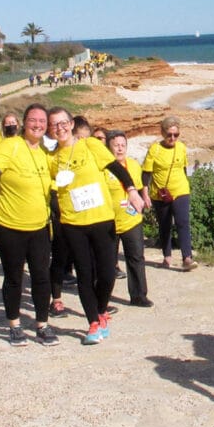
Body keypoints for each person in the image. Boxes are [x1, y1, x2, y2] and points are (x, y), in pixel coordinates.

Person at [0, 104, 60, 348]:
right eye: (32, 120)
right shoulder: (10, 146)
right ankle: (15, 325)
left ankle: (42, 325)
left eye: (42, 121)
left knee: (41, 277)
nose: (37, 125)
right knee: (14, 277)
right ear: (23, 123)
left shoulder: (47, 153)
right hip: (9, 226)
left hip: (39, 226)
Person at [46, 106, 147, 344]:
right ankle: (92, 323)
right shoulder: (51, 158)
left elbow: (115, 167)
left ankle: (101, 309)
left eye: (63, 123)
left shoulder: (89, 145)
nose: (59, 128)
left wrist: (132, 190)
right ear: (50, 130)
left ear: (71, 124)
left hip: (102, 219)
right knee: (84, 273)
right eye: (54, 125)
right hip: (72, 223)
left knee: (107, 273)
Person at [105, 130, 153, 308]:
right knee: (107, 262)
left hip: (131, 220)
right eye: (116, 145)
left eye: (123, 145)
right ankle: (103, 297)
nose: (120, 148)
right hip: (108, 221)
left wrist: (143, 200)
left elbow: (140, 189)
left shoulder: (133, 165)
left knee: (136, 257)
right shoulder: (103, 168)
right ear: (108, 147)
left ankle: (139, 295)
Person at [143, 115, 197, 270]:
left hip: (180, 190)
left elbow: (184, 168)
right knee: (164, 225)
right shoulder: (155, 149)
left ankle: (187, 257)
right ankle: (167, 257)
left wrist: (186, 185)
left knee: (183, 222)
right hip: (160, 193)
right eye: (169, 135)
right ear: (162, 133)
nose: (172, 138)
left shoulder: (181, 147)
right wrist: (144, 194)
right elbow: (146, 173)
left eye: (176, 135)